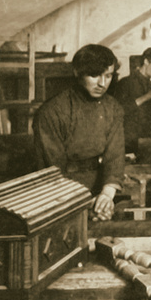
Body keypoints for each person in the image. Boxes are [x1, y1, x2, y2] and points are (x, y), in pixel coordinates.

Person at [33, 44, 125, 221]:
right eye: (94, 75)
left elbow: (115, 156)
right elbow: (52, 170)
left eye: (108, 76)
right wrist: (85, 205)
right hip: (61, 193)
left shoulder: (113, 108)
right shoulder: (52, 112)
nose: (102, 83)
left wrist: (106, 196)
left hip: (100, 187)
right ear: (77, 72)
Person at [111, 47, 151, 155]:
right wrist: (146, 97)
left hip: (149, 143)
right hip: (129, 143)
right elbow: (118, 111)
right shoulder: (125, 83)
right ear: (146, 61)